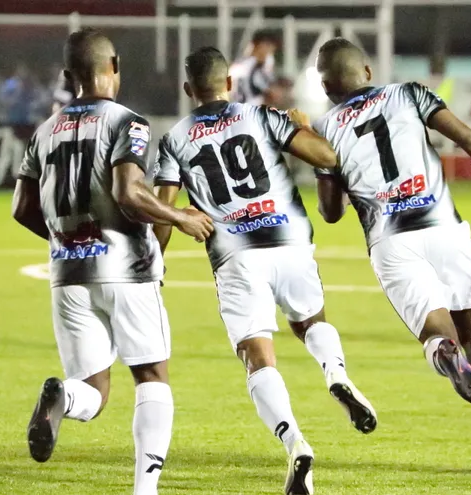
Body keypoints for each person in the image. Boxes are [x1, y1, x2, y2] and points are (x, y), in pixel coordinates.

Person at [295, 37, 471, 474]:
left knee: (437, 332)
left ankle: (445, 352)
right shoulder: (408, 93)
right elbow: (470, 138)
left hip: (391, 240)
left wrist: (331, 169)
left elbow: (331, 213)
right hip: (444, 227)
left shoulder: (323, 130)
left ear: (326, 86)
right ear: (367, 72)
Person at [151, 47, 376, 495]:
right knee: (311, 321)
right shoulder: (261, 116)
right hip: (289, 240)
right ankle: (336, 373)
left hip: (236, 255)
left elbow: (165, 211)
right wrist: (305, 127)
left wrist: (155, 261)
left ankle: (295, 444)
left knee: (257, 356)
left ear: (187, 89)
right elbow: (327, 157)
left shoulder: (175, 138)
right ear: (228, 83)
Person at [12, 28, 214, 495]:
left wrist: (70, 238)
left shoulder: (43, 132)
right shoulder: (130, 122)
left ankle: (62, 397)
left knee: (93, 393)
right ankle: (145, 491)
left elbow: (22, 209)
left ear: (68, 76)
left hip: (67, 275)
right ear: (115, 66)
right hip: (126, 269)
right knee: (151, 376)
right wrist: (179, 216)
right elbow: (128, 192)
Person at [230, 29, 279, 105]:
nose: (270, 53)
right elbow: (272, 93)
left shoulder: (238, 65)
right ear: (261, 46)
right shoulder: (255, 66)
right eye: (269, 48)